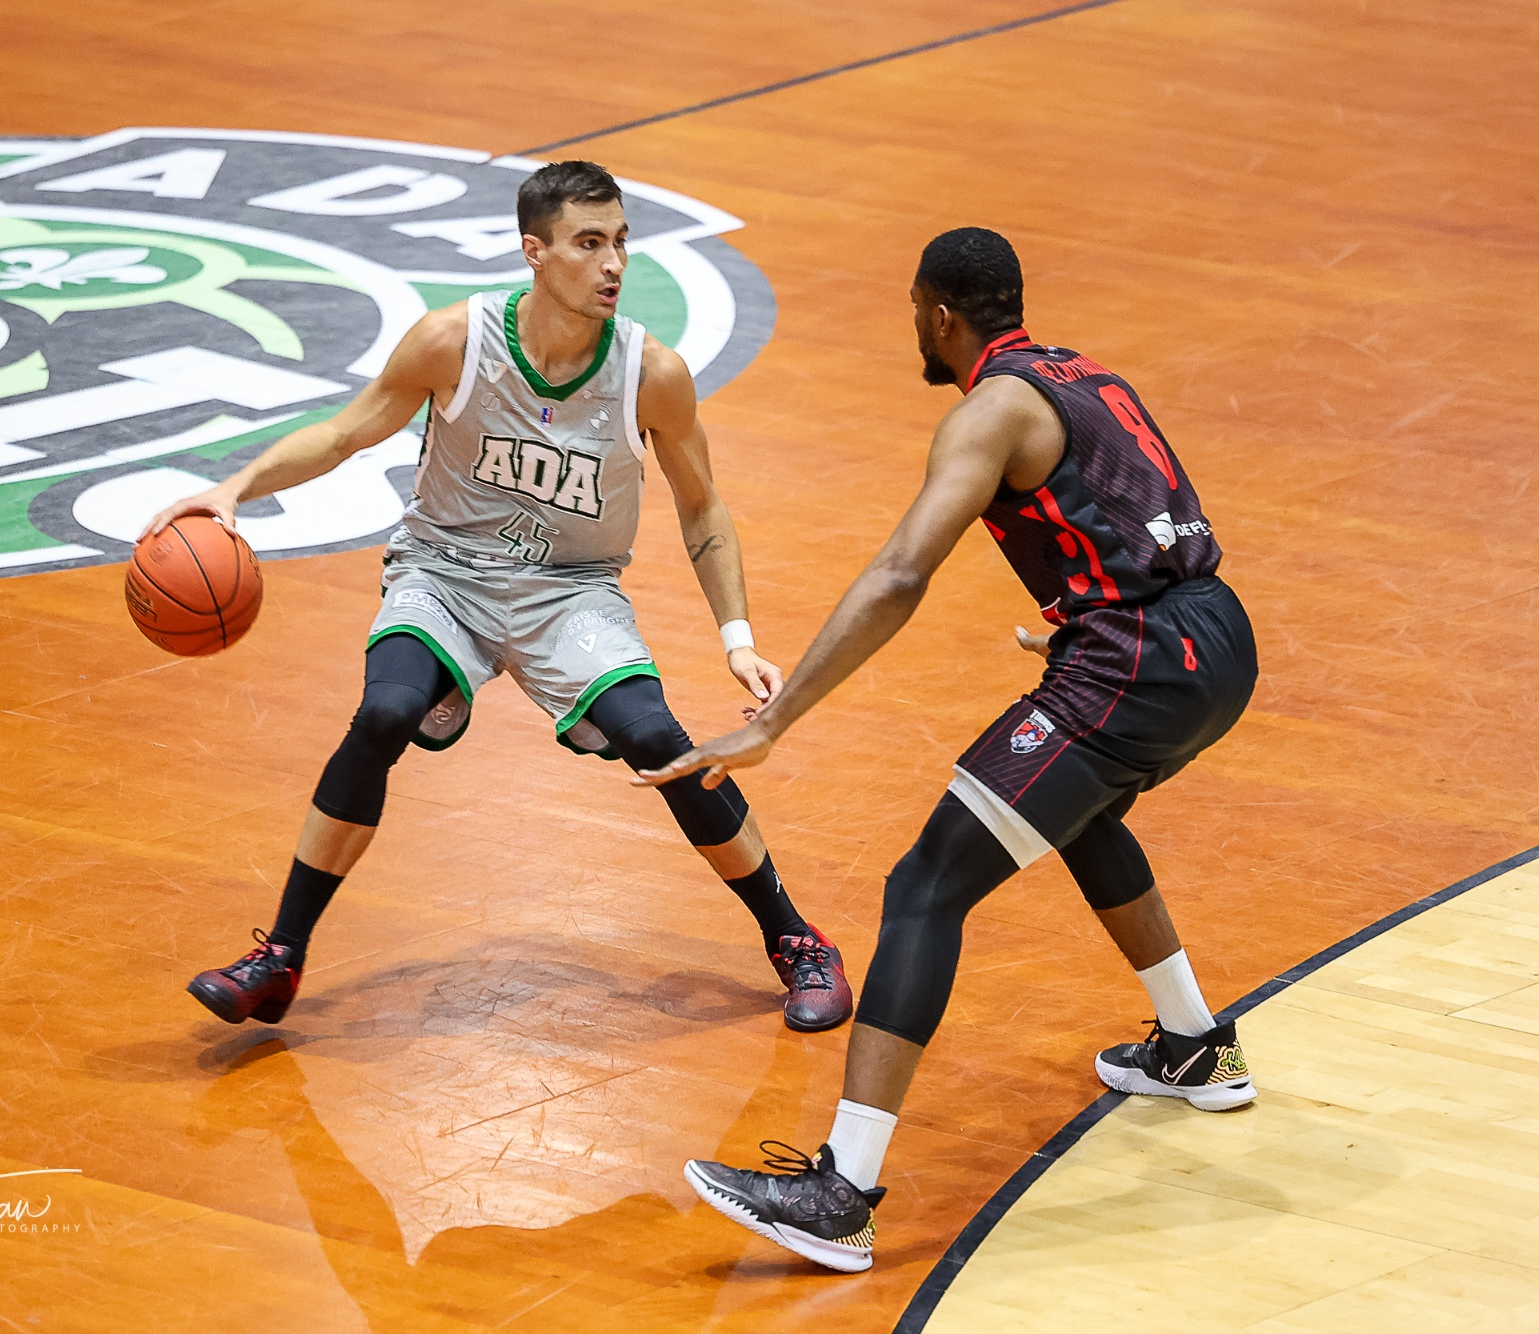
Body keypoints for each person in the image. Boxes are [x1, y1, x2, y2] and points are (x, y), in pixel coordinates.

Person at [642, 227, 1259, 1272]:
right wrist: (1087, 617)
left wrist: (772, 721)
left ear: (938, 315)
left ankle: (840, 1194)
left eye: (912, 312)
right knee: (1082, 812)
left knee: (925, 885)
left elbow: (899, 574)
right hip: (1215, 638)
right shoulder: (1085, 375)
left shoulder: (990, 411)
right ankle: (1195, 1043)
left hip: (1134, 665)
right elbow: (1145, 521)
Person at [146, 161, 853, 1036]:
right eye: (588, 243)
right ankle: (281, 957)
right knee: (382, 714)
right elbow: (343, 432)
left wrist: (737, 637)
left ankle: (798, 940)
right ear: (534, 251)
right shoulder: (453, 341)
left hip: (571, 591)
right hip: (445, 574)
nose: (613, 264)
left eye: (620, 242)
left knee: (659, 742)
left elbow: (702, 506)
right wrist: (234, 490)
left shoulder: (651, 372)